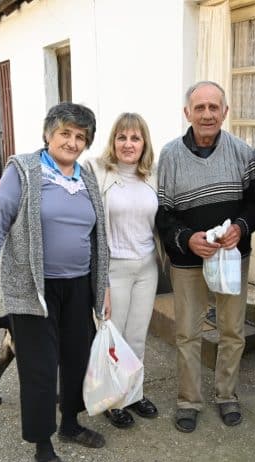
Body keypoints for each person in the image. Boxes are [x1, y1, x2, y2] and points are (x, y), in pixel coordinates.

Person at [0, 102, 110, 462]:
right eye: (65, 133)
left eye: (81, 136)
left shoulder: (86, 177)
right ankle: (43, 446)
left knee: (76, 358)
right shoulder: (25, 171)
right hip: (34, 288)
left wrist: (103, 286)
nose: (73, 141)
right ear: (49, 134)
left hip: (78, 285)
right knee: (40, 369)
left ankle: (70, 424)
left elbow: (98, 237)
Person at [156, 81, 255, 433]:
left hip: (232, 258)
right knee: (187, 333)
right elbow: (162, 212)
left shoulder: (242, 152)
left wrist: (242, 228)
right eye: (199, 108)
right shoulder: (170, 155)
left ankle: (226, 395)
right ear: (187, 113)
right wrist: (187, 239)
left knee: (232, 331)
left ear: (225, 112)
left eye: (214, 107)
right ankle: (189, 400)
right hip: (189, 261)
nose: (207, 114)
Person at [85, 113, 160, 429]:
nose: (129, 144)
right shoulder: (97, 172)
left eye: (135, 138)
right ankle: (112, 400)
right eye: (122, 137)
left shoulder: (152, 176)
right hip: (113, 269)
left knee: (137, 337)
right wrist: (99, 280)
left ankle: (133, 393)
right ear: (113, 141)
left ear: (144, 143)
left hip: (147, 267)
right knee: (113, 339)